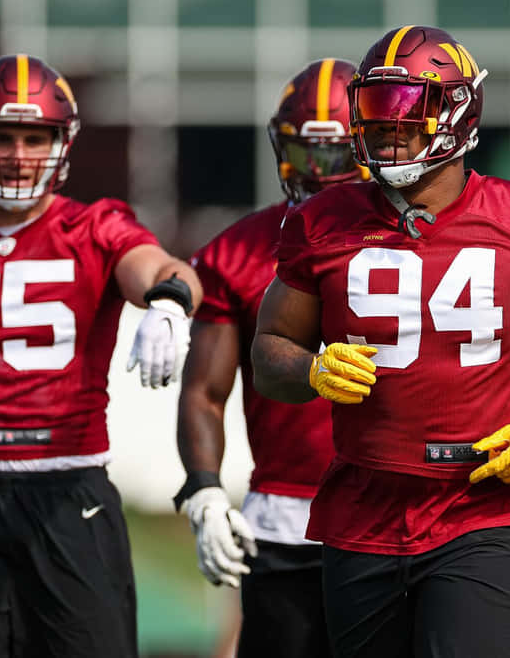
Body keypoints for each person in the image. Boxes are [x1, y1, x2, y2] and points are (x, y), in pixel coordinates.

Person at [251, 25, 510, 658]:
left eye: (408, 106)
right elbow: (269, 350)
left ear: (457, 111)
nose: (387, 125)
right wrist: (311, 369)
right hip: (362, 511)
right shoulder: (320, 223)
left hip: (485, 507)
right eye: (374, 106)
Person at [0, 54, 202, 658]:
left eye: (35, 138)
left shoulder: (96, 228)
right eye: (2, 136)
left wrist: (170, 301)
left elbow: (164, 269)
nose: (18, 155)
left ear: (60, 144)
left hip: (69, 491)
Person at [172, 58, 366, 657]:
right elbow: (204, 392)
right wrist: (204, 489)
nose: (318, 172)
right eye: (305, 153)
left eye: (335, 154)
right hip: (284, 515)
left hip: (393, 508)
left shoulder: (416, 242)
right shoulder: (237, 252)